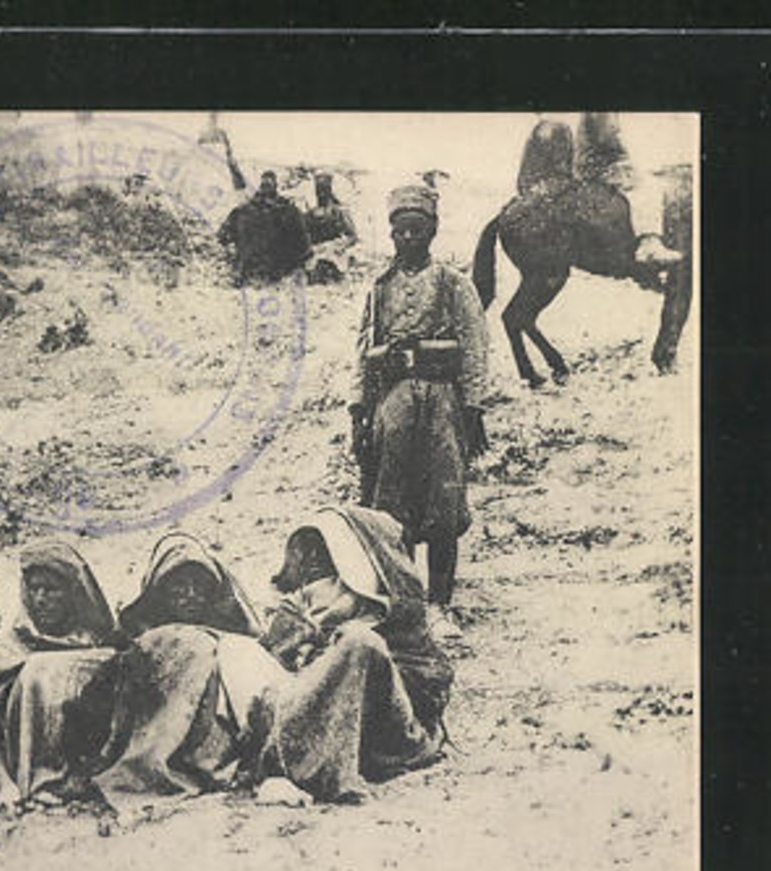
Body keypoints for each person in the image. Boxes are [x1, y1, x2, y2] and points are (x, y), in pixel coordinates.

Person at [246, 506, 453, 803]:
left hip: (386, 746)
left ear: (358, 571)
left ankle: (308, 773)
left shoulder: (397, 627)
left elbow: (424, 694)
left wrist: (340, 651)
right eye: (308, 572)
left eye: (325, 570)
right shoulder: (295, 616)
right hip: (306, 735)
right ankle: (286, 767)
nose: (312, 586)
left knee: (359, 644)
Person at [350, 183, 491, 617]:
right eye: (400, 233)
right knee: (393, 501)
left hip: (442, 403)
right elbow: (361, 351)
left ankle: (440, 603)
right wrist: (358, 411)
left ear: (433, 231)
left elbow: (475, 345)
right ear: (391, 235)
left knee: (444, 501)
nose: (408, 240)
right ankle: (405, 601)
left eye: (417, 231)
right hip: (392, 403)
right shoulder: (379, 288)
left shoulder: (453, 284)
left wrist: (473, 409)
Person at [88, 534, 271, 811]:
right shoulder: (145, 641)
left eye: (199, 586)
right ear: (160, 592)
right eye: (179, 586)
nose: (190, 596)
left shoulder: (232, 639)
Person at [0, 542, 119, 809]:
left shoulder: (96, 646)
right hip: (16, 779)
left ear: (72, 594)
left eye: (51, 590)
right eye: (34, 589)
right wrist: (5, 782)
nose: (40, 599)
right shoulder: (7, 647)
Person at [216, 170, 313, 287]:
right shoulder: (288, 211)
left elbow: (222, 237)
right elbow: (303, 247)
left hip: (247, 271)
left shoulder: (242, 211)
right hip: (275, 271)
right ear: (275, 187)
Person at [304, 171, 358, 248]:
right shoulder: (309, 215)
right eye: (319, 190)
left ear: (329, 191)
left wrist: (337, 246)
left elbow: (352, 236)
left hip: (335, 254)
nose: (321, 194)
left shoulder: (338, 213)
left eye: (324, 190)